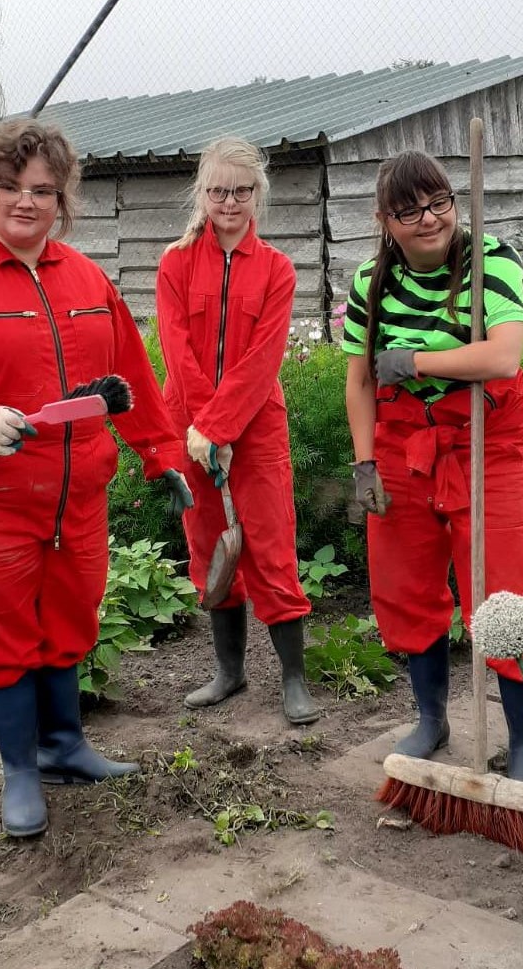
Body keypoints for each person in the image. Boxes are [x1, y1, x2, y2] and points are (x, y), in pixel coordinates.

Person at [0, 119, 193, 837]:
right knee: (3, 635)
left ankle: (65, 747)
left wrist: (161, 453)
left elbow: (129, 378)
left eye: (43, 190)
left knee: (70, 620)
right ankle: (21, 769)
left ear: (62, 199)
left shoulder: (86, 279)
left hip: (76, 498)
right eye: (10, 186)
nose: (26, 201)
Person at [342, 148, 523, 784]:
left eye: (439, 203)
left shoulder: (492, 263)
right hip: (403, 448)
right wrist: (364, 465)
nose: (429, 219)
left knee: (502, 593)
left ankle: (522, 743)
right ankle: (431, 720)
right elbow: (359, 381)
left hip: (484, 444)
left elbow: (503, 357)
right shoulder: (370, 282)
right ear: (385, 219)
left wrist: (415, 362)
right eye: (409, 211)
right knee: (407, 586)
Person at [155, 136, 319, 726]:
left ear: (257, 195)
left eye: (241, 191)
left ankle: (293, 679)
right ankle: (229, 672)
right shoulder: (175, 264)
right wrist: (204, 428)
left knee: (272, 545)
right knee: (208, 545)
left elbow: (263, 359)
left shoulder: (276, 269)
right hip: (190, 426)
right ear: (202, 192)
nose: (229, 202)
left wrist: (222, 426)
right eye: (219, 190)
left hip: (257, 427)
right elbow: (176, 349)